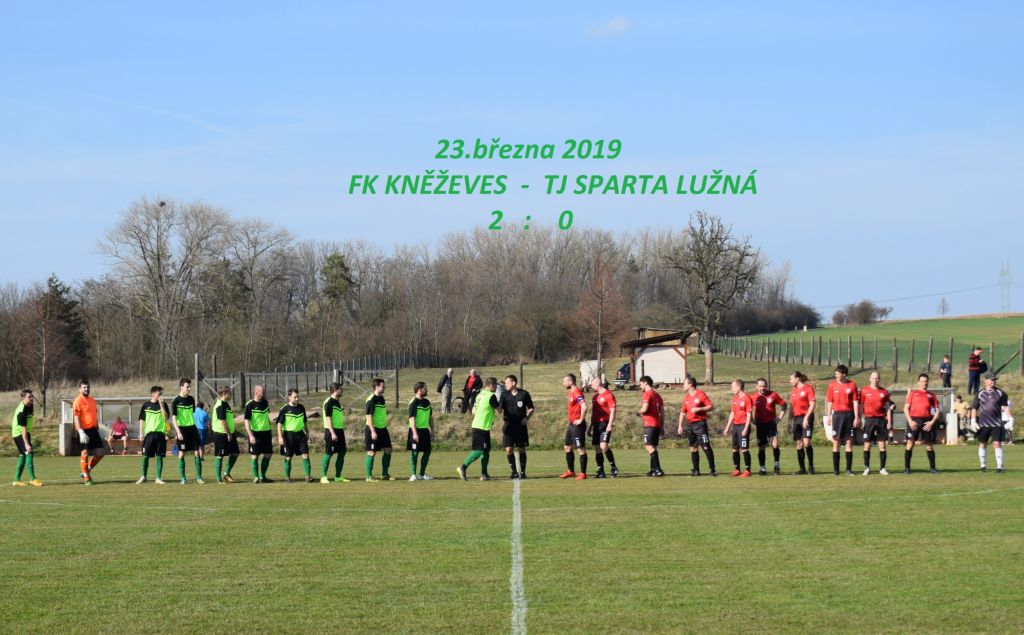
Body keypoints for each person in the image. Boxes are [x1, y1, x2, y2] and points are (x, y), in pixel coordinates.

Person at [457, 376, 499, 480]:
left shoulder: (480, 395)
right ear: (491, 385)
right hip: (481, 427)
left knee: (486, 451)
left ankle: (484, 475)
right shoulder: (491, 396)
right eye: (495, 385)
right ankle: (463, 467)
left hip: (480, 425)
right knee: (480, 450)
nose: (496, 387)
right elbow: (499, 410)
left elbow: (473, 411)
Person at [971, 373, 1011, 472]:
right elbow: (974, 408)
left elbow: (1005, 407)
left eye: (995, 380)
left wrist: (1010, 418)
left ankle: (999, 467)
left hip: (996, 423)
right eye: (992, 380)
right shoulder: (980, 393)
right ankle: (983, 466)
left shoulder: (1001, 393)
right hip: (983, 424)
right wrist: (973, 420)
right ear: (986, 381)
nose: (994, 381)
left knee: (997, 444)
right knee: (982, 444)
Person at [678, 375, 716, 477]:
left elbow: (711, 406)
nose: (683, 386)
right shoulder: (686, 398)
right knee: (693, 448)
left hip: (700, 424)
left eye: (684, 383)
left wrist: (699, 409)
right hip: (690, 425)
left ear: (690, 384)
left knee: (705, 446)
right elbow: (683, 412)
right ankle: (696, 470)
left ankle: (712, 470)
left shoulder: (700, 394)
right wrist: (680, 425)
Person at [825, 364, 860, 476]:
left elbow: (855, 402)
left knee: (849, 441)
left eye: (837, 373)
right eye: (835, 373)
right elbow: (830, 402)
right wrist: (829, 416)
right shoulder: (832, 385)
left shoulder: (852, 385)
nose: (835, 375)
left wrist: (857, 417)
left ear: (844, 374)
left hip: (849, 415)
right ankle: (836, 470)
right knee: (836, 441)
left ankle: (848, 470)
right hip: (837, 415)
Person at [903, 373, 941, 474]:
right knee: (910, 443)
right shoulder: (912, 394)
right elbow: (905, 408)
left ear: (928, 382)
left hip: (926, 421)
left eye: (926, 381)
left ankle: (933, 468)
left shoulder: (932, 395)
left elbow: (937, 411)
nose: (924, 383)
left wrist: (931, 422)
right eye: (922, 381)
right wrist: (910, 421)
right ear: (918, 382)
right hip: (914, 420)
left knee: (929, 445)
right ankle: (907, 468)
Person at [170, 378, 204, 484]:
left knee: (197, 452)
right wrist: (178, 432)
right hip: (182, 430)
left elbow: (191, 415)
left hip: (192, 429)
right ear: (181, 387)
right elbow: (174, 418)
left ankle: (199, 477)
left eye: (190, 387)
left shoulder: (191, 399)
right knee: (181, 454)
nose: (189, 388)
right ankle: (183, 478)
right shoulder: (176, 401)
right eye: (187, 387)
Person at [500, 374, 534, 479]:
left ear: (514, 383)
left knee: (521, 449)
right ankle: (514, 472)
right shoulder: (504, 395)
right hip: (508, 425)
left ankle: (523, 472)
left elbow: (531, 408)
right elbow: (499, 409)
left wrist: (526, 418)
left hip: (520, 426)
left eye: (507, 383)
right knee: (508, 449)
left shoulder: (524, 394)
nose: (505, 385)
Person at [859, 371, 893, 475]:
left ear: (879, 379)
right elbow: (861, 406)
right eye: (873, 378)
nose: (875, 380)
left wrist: (889, 421)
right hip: (869, 420)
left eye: (877, 378)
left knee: (882, 445)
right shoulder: (864, 390)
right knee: (867, 444)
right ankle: (866, 468)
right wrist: (861, 419)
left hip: (881, 420)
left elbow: (888, 408)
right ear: (870, 379)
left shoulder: (884, 392)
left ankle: (882, 468)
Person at [72, 379, 105, 485]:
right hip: (83, 430)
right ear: (80, 389)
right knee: (85, 453)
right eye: (84, 387)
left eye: (88, 387)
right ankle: (86, 477)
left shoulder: (92, 400)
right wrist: (80, 432)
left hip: (93, 430)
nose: (86, 389)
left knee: (100, 453)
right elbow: (76, 418)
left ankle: (87, 469)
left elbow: (93, 415)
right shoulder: (77, 401)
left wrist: (97, 427)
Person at [276, 389, 312, 483]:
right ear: (289, 397)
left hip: (300, 434)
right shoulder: (284, 409)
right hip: (288, 436)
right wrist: (280, 437)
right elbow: (279, 424)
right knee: (288, 457)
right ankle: (287, 477)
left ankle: (308, 476)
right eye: (295, 397)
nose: (297, 399)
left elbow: (304, 421)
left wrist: (307, 432)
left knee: (305, 454)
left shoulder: (301, 407)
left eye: (297, 397)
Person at [752, 378, 786, 475]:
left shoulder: (773, 395)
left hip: (771, 424)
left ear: (766, 386)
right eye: (760, 386)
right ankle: (762, 468)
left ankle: (776, 466)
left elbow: (784, 405)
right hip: (760, 425)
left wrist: (779, 418)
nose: (762, 388)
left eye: (764, 386)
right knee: (761, 447)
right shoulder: (753, 397)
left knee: (775, 445)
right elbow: (747, 409)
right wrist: (751, 420)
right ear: (756, 386)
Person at [136, 386, 169, 485]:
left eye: (161, 394)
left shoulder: (163, 404)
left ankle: (158, 478)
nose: (161, 396)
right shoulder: (146, 405)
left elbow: (165, 417)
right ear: (153, 394)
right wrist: (141, 433)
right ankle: (143, 476)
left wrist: (161, 405)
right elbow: (142, 419)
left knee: (159, 456)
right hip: (149, 434)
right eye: (159, 394)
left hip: (160, 434)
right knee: (145, 456)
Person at [559, 373, 588, 480]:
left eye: (564, 381)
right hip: (571, 424)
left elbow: (584, 406)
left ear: (570, 381)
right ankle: (570, 471)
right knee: (567, 447)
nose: (563, 383)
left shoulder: (576, 391)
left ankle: (583, 473)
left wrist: (581, 419)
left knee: (580, 448)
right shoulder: (571, 392)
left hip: (577, 425)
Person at [11, 389, 42, 487]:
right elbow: (23, 428)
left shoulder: (30, 405)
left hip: (24, 432)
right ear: (23, 398)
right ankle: (32, 479)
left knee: (23, 455)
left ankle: (16, 480)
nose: (32, 398)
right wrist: (27, 444)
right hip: (19, 433)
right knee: (29, 452)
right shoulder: (22, 411)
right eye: (29, 397)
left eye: (32, 396)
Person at [244, 385, 274, 483]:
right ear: (256, 392)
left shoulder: (265, 402)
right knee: (255, 456)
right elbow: (246, 421)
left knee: (268, 454)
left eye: (263, 391)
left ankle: (262, 476)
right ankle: (256, 477)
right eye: (262, 392)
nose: (263, 393)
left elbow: (266, 417)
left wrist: (270, 429)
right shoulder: (250, 405)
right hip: (255, 433)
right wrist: (250, 435)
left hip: (266, 433)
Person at [589, 378, 619, 478]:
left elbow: (613, 411)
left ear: (598, 384)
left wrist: (610, 424)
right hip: (596, 424)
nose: (591, 386)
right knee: (597, 448)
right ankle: (600, 471)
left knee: (603, 446)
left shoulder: (608, 395)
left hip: (605, 423)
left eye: (592, 384)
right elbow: (593, 413)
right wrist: (590, 426)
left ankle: (613, 467)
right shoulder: (595, 397)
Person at [320, 383, 350, 483]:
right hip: (331, 431)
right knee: (329, 453)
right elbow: (328, 418)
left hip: (339, 430)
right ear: (335, 390)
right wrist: (333, 433)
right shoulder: (329, 402)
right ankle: (323, 477)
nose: (342, 390)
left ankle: (338, 476)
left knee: (342, 452)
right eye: (340, 389)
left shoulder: (337, 402)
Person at [724, 379, 754, 478]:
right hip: (735, 426)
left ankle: (747, 471)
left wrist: (746, 428)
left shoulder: (747, 398)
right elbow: (732, 413)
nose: (731, 389)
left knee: (744, 449)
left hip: (743, 426)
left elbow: (749, 414)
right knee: (735, 449)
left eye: (733, 387)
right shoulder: (735, 398)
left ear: (739, 387)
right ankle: (737, 469)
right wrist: (727, 427)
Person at [789, 371, 817, 474]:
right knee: (799, 443)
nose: (790, 381)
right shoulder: (793, 391)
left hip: (806, 417)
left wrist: (806, 418)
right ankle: (802, 469)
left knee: (806, 442)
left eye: (791, 379)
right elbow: (792, 407)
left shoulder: (808, 388)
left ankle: (811, 467)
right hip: (796, 419)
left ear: (797, 379)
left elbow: (812, 404)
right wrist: (790, 421)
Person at [364, 378, 392, 481]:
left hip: (382, 428)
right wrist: (373, 431)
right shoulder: (371, 400)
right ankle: (368, 477)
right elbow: (369, 416)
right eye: (383, 386)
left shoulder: (381, 398)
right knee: (372, 452)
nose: (384, 388)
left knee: (388, 449)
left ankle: (384, 474)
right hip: (373, 429)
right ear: (376, 387)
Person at [211, 386, 240, 484]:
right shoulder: (220, 405)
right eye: (229, 393)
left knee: (235, 452)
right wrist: (228, 434)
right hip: (221, 434)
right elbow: (222, 422)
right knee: (220, 455)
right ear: (224, 394)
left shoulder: (226, 404)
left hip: (229, 433)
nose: (231, 395)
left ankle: (226, 473)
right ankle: (219, 479)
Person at [407, 381, 434, 481]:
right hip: (415, 430)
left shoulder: (427, 402)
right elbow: (411, 419)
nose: (427, 390)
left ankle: (422, 474)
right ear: (419, 390)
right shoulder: (413, 402)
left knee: (427, 452)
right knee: (415, 452)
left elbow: (430, 417)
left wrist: (433, 430)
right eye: (425, 388)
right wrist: (414, 433)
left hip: (425, 431)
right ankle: (413, 475)